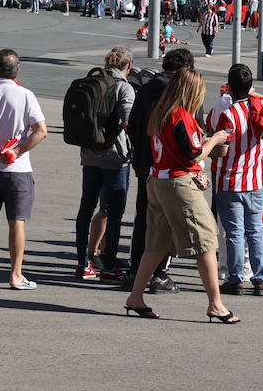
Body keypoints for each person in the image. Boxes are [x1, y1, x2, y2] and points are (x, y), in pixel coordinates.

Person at [122, 68, 238, 323]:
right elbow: (193, 155)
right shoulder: (181, 115)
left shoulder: (161, 113)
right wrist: (215, 140)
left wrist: (204, 145)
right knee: (206, 240)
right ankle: (216, 304)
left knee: (157, 242)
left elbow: (181, 148)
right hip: (178, 183)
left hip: (158, 180)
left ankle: (136, 296)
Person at [0, 49, 48, 290]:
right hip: (17, 169)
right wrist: (18, 150)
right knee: (17, 221)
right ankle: (15, 274)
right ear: (17, 70)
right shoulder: (25, 95)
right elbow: (41, 131)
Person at [125, 48, 195, 295]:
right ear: (186, 69)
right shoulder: (179, 91)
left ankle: (136, 269)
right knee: (167, 220)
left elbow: (132, 125)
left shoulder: (146, 88)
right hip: (169, 166)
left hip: (145, 162)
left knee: (144, 216)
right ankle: (159, 274)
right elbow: (188, 131)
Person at [215, 64, 263, 295]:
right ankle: (261, 279)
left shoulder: (228, 114)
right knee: (256, 232)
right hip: (257, 180)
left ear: (230, 87)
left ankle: (235, 279)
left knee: (234, 233)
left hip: (231, 181)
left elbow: (222, 149)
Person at [74, 47, 136, 281]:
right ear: (128, 66)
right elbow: (128, 120)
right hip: (115, 157)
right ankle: (109, 265)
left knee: (86, 207)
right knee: (113, 212)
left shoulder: (92, 81)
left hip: (90, 154)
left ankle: (83, 263)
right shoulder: (123, 87)